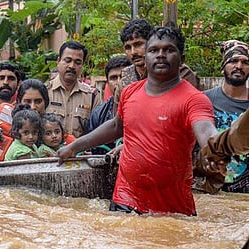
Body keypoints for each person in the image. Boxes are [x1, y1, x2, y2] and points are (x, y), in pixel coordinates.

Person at [57, 26, 218, 216]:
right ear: (146, 57)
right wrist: (75, 147)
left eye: (168, 50)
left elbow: (206, 131)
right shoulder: (130, 91)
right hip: (124, 199)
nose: (160, 55)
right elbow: (117, 126)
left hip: (172, 210)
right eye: (154, 50)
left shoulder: (194, 99)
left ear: (181, 59)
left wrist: (218, 148)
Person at [193, 39, 249, 194]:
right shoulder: (202, 100)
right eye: (233, 61)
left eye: (245, 62)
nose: (239, 66)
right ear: (223, 66)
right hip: (210, 189)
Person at [114, 19, 201, 111]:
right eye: (128, 47)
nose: (133, 52)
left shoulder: (179, 73)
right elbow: (117, 119)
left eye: (138, 45)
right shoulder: (124, 79)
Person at [46, 40, 101, 138]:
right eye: (67, 60)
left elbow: (98, 131)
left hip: (80, 152)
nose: (72, 66)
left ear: (82, 66)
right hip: (49, 152)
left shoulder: (92, 96)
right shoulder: (44, 92)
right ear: (58, 61)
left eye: (77, 62)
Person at [86, 55, 131, 154]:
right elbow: (94, 150)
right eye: (113, 78)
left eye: (123, 77)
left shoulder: (146, 106)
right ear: (107, 82)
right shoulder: (98, 113)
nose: (119, 82)